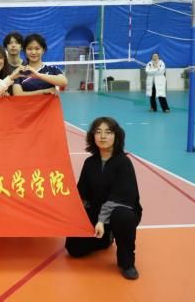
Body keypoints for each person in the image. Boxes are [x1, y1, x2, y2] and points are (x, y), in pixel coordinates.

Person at [65, 117, 143, 280]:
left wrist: (101, 220)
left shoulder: (123, 163)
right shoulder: (90, 163)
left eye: (108, 132)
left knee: (122, 216)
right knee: (74, 249)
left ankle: (127, 262)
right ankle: (106, 238)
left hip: (120, 212)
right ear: (92, 136)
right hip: (96, 211)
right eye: (98, 132)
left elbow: (123, 197)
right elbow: (81, 192)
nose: (102, 136)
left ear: (116, 136)